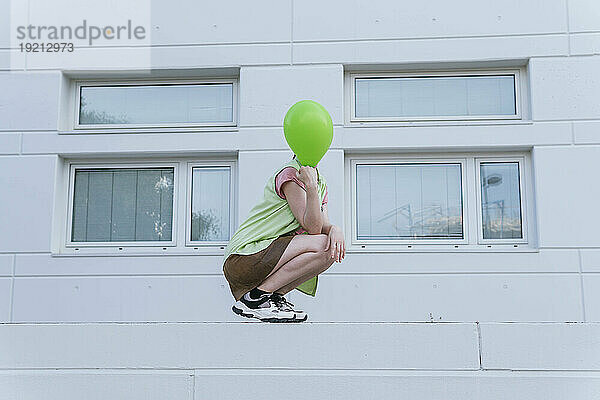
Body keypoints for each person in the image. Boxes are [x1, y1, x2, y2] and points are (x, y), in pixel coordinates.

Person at [221, 154, 345, 322]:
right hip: (243, 258)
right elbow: (314, 228)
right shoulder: (291, 174)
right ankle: (256, 299)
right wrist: (311, 187)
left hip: (265, 258)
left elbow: (323, 225)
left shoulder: (319, 181)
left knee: (331, 249)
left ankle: (272, 299)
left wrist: (335, 229)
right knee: (323, 243)